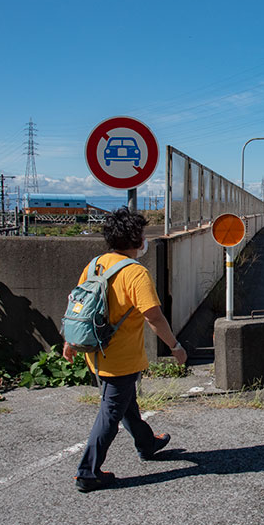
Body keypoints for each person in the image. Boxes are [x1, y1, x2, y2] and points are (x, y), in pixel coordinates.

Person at [63, 206, 187, 493]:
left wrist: (69, 342)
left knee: (125, 402)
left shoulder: (95, 264)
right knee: (111, 412)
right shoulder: (135, 273)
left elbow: (77, 307)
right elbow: (153, 316)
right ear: (136, 239)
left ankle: (147, 444)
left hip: (95, 352)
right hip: (121, 358)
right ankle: (87, 472)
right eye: (143, 234)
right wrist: (175, 346)